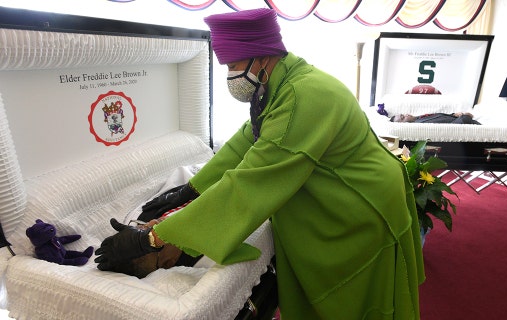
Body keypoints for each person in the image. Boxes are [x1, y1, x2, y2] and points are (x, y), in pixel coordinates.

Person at [95, 8, 425, 319]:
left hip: (360, 202)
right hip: (346, 189)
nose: (230, 76)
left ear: (262, 55)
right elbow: (244, 144)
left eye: (232, 65)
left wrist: (154, 239)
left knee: (357, 301)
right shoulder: (279, 85)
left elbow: (252, 182)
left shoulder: (302, 96)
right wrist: (190, 190)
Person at [390, 112, 481, 124]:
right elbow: (450, 127)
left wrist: (454, 114)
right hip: (471, 124)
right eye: (403, 117)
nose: (406, 114)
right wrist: (465, 117)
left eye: (403, 114)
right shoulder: (421, 124)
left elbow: (442, 118)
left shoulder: (419, 118)